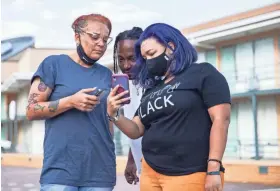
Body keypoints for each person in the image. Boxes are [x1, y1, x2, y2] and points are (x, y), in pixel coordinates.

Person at [107, 23, 231, 191]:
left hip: (189, 173)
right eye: (144, 58)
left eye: (151, 54)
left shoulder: (203, 73)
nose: (148, 62)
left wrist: (214, 169)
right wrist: (114, 114)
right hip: (151, 173)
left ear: (171, 47)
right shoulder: (152, 87)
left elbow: (221, 120)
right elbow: (136, 129)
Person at [26, 14, 116, 191]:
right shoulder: (53, 64)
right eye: (95, 37)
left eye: (106, 39)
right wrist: (70, 102)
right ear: (77, 36)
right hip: (61, 172)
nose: (101, 44)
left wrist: (114, 112)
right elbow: (31, 109)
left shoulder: (106, 75)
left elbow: (108, 122)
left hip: (100, 172)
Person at [113, 27, 143, 185]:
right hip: (146, 173)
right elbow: (136, 127)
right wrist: (132, 160)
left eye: (132, 58)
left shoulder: (158, 84)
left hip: (165, 173)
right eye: (121, 59)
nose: (126, 65)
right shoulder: (128, 86)